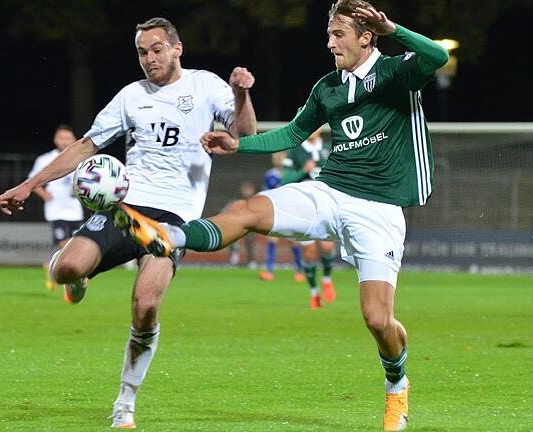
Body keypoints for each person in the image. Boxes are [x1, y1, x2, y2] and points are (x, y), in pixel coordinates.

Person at [113, 3, 448, 430]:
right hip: (329, 190)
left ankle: (397, 385)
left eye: (338, 34)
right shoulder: (328, 86)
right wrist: (239, 146)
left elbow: (437, 57)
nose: (329, 43)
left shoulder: (398, 73)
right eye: (329, 34)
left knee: (378, 320)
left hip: (379, 209)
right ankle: (168, 236)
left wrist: (393, 27)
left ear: (366, 36)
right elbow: (292, 132)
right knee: (248, 210)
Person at [0, 17, 256, 429]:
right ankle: (79, 277)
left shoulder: (206, 86)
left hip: (174, 218)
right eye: (142, 52)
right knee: (65, 269)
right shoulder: (131, 96)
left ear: (177, 48)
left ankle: (125, 401)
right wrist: (30, 185)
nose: (149, 58)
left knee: (146, 305)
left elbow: (244, 133)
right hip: (127, 208)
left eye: (156, 49)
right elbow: (86, 145)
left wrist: (241, 93)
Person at [280, 127, 337, 309]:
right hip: (303, 209)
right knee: (310, 252)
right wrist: (303, 171)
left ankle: (327, 279)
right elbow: (284, 180)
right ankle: (314, 293)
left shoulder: (329, 148)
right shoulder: (296, 151)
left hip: (326, 206)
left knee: (328, 247)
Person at [27, 124, 86, 293]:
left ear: (74, 140)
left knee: (74, 245)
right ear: (55, 139)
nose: (65, 141)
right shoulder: (45, 159)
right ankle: (69, 275)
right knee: (63, 244)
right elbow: (32, 181)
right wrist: (45, 195)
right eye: (61, 137)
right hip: (56, 210)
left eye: (68, 138)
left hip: (75, 209)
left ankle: (55, 270)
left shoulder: (80, 159)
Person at [259, 151, 305, 282]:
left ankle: (300, 271)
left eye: (281, 156)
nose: (278, 158)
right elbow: (265, 193)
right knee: (272, 239)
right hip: (275, 212)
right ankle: (269, 271)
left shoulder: (292, 174)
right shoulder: (270, 175)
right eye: (276, 156)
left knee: (293, 240)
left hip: (291, 212)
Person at [225, 181, 257, 268]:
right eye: (246, 189)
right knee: (232, 240)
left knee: (249, 242)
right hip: (238, 224)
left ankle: (251, 261)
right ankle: (234, 259)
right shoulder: (237, 200)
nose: (247, 191)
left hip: (250, 225)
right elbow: (228, 209)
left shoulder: (256, 200)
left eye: (249, 189)